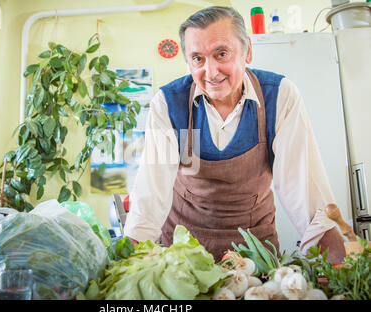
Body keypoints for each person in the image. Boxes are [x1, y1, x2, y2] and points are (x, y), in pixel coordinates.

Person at [123, 6, 346, 264]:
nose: (211, 71)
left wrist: (334, 259)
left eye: (222, 54)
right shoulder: (168, 104)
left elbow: (302, 186)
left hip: (256, 254)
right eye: (198, 59)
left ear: (247, 51)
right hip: (184, 254)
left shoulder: (279, 96)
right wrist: (130, 264)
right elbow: (152, 190)